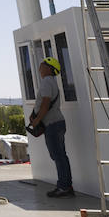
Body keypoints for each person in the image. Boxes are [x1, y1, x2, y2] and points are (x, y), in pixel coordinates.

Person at [29, 55, 74, 198]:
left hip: (53, 125)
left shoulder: (47, 81)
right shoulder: (50, 81)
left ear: (49, 68)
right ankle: (66, 185)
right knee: (61, 156)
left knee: (58, 156)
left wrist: (37, 120)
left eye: (43, 64)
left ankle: (63, 187)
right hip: (56, 123)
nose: (40, 66)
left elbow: (46, 103)